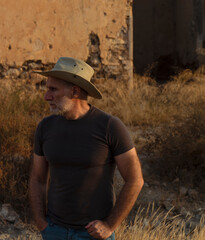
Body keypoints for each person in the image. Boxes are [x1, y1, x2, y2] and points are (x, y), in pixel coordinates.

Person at [29, 57, 144, 240]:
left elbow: (135, 180)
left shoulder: (110, 127)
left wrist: (109, 226)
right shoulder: (45, 127)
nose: (46, 96)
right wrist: (41, 223)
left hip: (93, 235)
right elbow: (38, 179)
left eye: (53, 89)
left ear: (74, 91)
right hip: (54, 231)